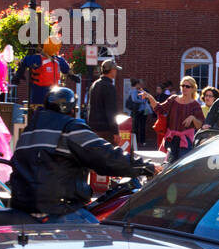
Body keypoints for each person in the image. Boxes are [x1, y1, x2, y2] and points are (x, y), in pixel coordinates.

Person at [9, 87, 154, 221]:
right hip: (57, 209)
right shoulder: (70, 128)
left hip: (22, 208)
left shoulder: (29, 130)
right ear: (72, 109)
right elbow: (106, 156)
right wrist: (145, 167)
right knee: (102, 236)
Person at [144, 77, 205, 164]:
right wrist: (150, 97)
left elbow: (200, 125)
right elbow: (159, 109)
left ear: (193, 89)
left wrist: (193, 118)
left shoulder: (195, 105)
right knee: (167, 166)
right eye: (182, 85)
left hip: (186, 141)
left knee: (182, 166)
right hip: (171, 139)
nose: (184, 88)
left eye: (187, 86)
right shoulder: (173, 99)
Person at [86, 58, 123, 143]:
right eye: (115, 70)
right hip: (106, 130)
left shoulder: (94, 85)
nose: (116, 72)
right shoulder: (109, 87)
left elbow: (90, 107)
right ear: (112, 70)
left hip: (93, 129)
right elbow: (111, 111)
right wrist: (115, 132)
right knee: (109, 155)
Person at [126, 78, 149, 148]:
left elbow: (146, 99)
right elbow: (134, 99)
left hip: (144, 110)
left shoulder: (143, 91)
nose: (141, 85)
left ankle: (142, 141)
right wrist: (143, 101)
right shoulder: (134, 91)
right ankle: (137, 141)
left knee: (143, 126)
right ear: (137, 84)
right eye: (140, 84)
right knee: (136, 126)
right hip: (137, 111)